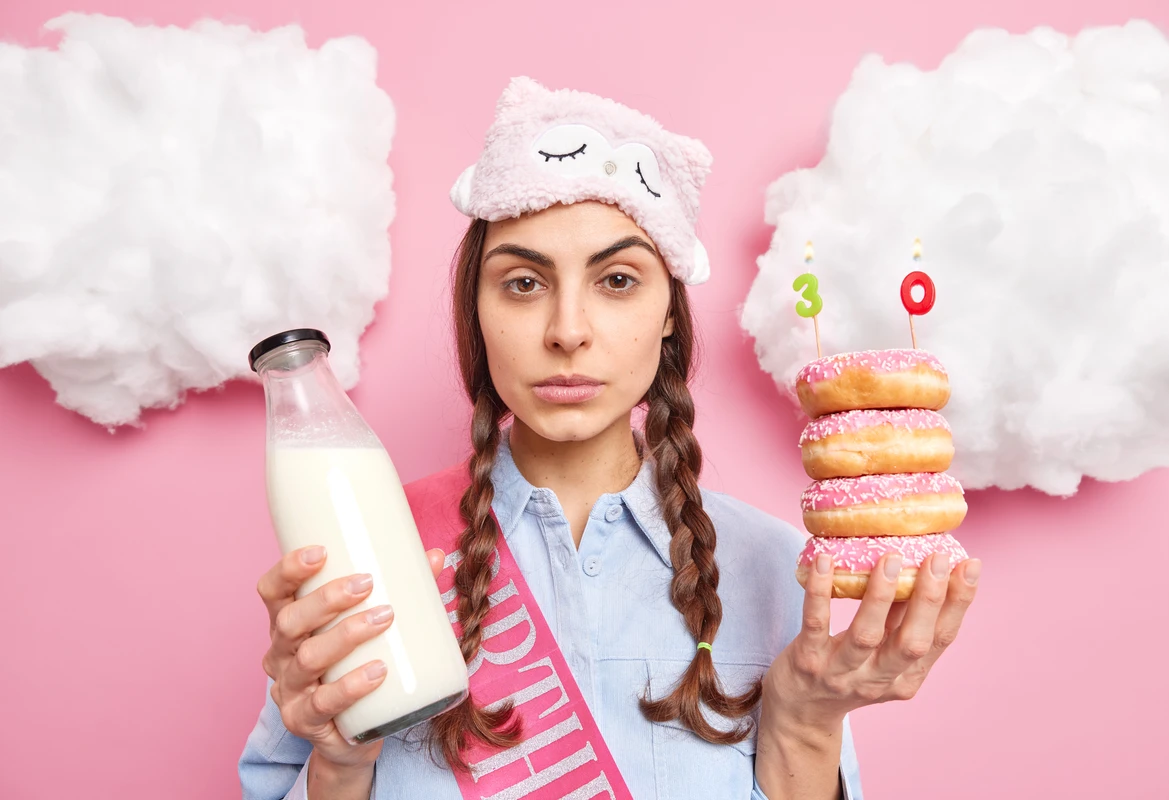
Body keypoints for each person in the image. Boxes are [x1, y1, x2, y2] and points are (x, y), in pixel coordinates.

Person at [238, 77, 981, 800]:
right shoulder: (375, 550)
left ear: (668, 312)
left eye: (617, 280)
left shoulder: (775, 567)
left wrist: (808, 724)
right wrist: (336, 765)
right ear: (478, 308)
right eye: (524, 283)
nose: (568, 332)